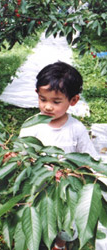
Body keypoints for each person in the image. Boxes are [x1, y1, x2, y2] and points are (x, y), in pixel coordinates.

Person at [19, 61, 98, 250]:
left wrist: (78, 175)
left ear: (73, 101)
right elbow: (22, 154)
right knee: (38, 218)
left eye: (56, 102)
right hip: (39, 188)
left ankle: (60, 244)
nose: (47, 107)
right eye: (42, 99)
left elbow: (89, 160)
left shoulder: (76, 129)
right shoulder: (32, 125)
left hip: (66, 190)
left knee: (67, 222)